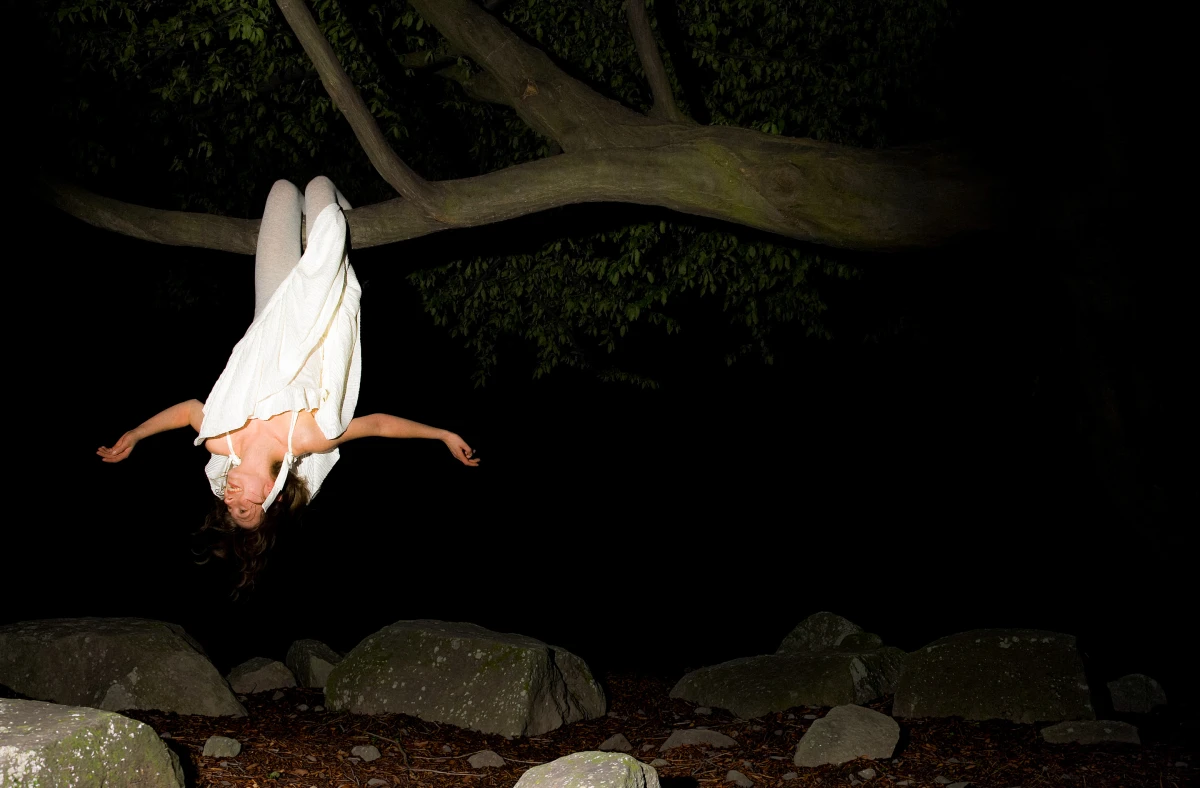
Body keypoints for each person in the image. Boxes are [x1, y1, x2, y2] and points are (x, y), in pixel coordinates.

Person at [97, 176, 478, 590]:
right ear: (272, 493)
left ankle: (344, 234)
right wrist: (440, 434)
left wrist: (136, 434)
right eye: (243, 511)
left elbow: (189, 408)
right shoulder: (310, 437)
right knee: (320, 194)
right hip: (317, 310)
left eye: (227, 507)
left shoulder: (221, 439)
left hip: (274, 303)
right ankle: (343, 237)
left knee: (281, 190)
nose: (231, 502)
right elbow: (380, 425)